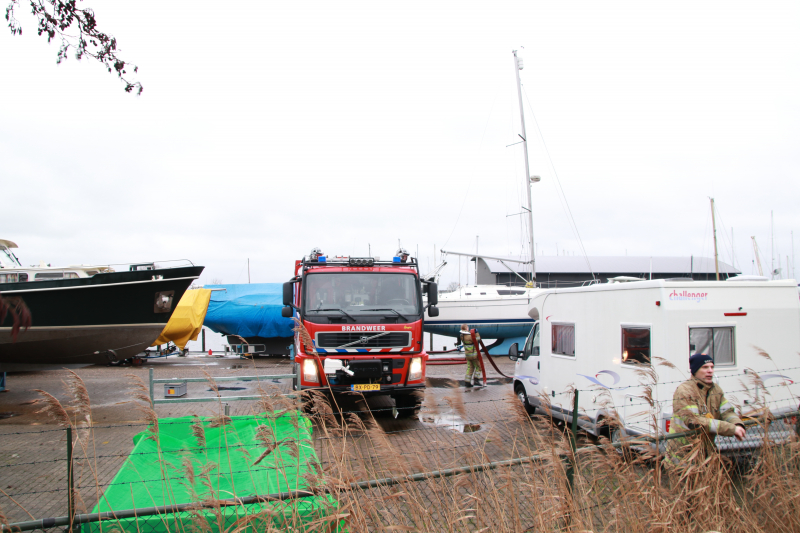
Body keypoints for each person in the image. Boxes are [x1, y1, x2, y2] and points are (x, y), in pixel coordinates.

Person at [667, 353, 746, 463]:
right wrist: (731, 429)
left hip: (706, 454)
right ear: (694, 370)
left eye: (712, 367)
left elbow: (727, 412)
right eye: (705, 367)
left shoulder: (715, 390)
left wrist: (737, 424)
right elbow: (694, 421)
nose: (710, 371)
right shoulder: (685, 391)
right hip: (683, 456)